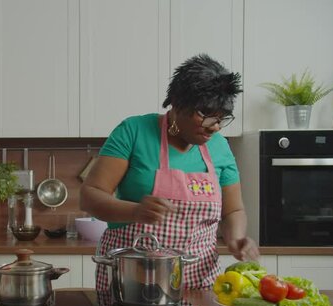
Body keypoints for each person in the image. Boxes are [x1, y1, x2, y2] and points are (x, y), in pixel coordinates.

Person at [80, 54, 259, 290]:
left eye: (221, 117)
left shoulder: (220, 146)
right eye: (205, 113)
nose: (214, 126)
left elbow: (233, 210)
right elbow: (90, 195)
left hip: (200, 285)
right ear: (177, 103)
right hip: (132, 283)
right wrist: (135, 211)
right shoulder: (134, 131)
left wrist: (236, 238)